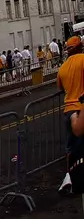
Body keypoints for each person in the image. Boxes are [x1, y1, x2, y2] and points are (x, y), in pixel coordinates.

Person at [57, 35, 84, 194]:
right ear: (80, 46)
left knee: (70, 148)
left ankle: (70, 178)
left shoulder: (63, 67)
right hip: (81, 110)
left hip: (68, 110)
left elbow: (60, 87)